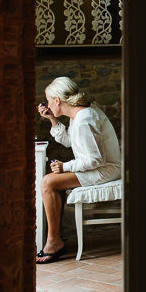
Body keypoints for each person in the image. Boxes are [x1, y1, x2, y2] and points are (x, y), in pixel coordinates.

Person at [36, 76, 122, 263]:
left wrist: (65, 166)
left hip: (106, 169)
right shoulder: (79, 114)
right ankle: (56, 236)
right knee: (52, 182)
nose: (48, 105)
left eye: (49, 100)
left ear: (57, 100)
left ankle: (53, 241)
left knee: (47, 182)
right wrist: (52, 119)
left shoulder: (84, 119)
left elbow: (95, 159)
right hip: (101, 166)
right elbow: (70, 141)